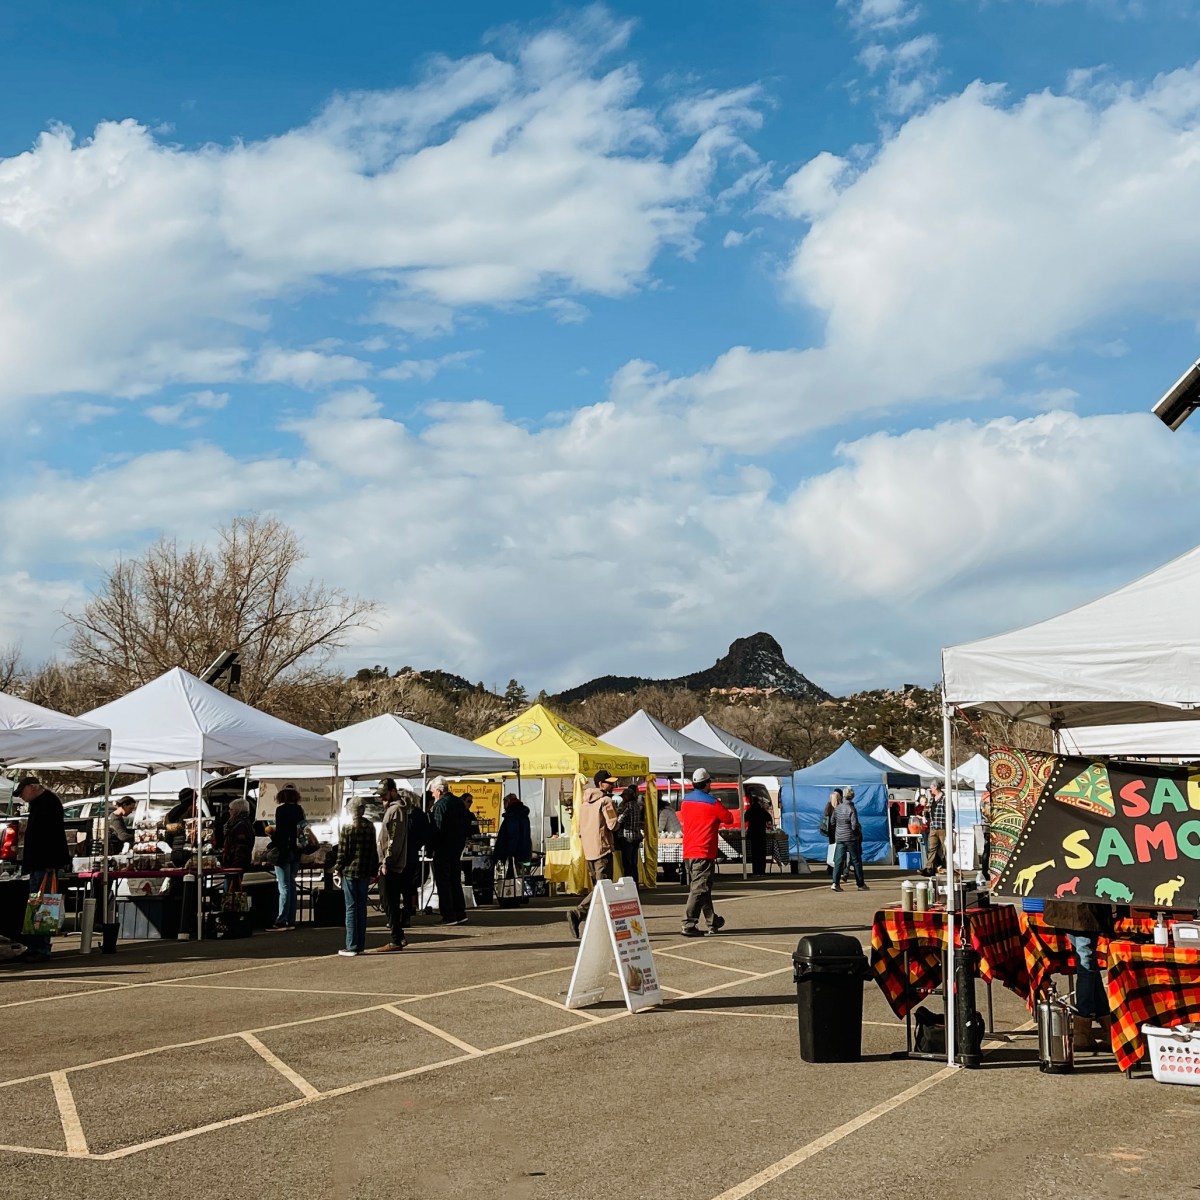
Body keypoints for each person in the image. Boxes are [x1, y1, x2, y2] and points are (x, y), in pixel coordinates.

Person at [1042, 898, 1114, 1052]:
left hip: (1066, 904)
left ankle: (1105, 1026)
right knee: (1086, 964)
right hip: (1083, 906)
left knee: (1087, 963)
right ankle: (1084, 1027)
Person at [14, 776, 69, 963]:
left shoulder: (48, 803)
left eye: (22, 792)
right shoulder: (40, 803)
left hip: (45, 863)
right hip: (38, 862)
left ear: (32, 787)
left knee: (44, 905)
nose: (21, 796)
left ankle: (41, 947)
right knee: (38, 904)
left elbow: (51, 836)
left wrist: (50, 864)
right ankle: (35, 945)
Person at [679, 768, 735, 937]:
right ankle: (688, 923)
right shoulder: (712, 803)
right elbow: (729, 819)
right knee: (700, 888)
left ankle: (712, 921)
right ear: (707, 783)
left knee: (703, 887)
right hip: (704, 850)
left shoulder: (685, 802)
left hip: (689, 849)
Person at [566, 771, 620, 939]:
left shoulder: (584, 803)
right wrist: (620, 822)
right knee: (603, 888)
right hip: (602, 850)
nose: (612, 785)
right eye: (608, 782)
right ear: (600, 784)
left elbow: (580, 828)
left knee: (600, 888)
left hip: (589, 851)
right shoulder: (606, 801)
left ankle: (599, 925)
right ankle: (578, 913)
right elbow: (612, 825)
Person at [332, 797, 380, 957]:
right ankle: (360, 944)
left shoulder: (347, 827)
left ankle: (351, 945)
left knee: (351, 908)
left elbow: (343, 853)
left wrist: (337, 868)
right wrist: (374, 870)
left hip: (350, 872)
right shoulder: (370, 826)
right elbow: (374, 851)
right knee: (361, 909)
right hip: (365, 871)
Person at [372, 779, 409, 953]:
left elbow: (394, 839)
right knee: (388, 900)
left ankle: (396, 938)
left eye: (384, 795)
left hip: (391, 864)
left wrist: (387, 861)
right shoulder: (394, 809)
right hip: (390, 863)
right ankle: (398, 935)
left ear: (393, 792)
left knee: (389, 901)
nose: (382, 800)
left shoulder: (396, 810)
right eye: (381, 796)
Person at [430, 777, 470, 926]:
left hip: (443, 848)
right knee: (455, 881)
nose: (432, 794)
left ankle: (449, 916)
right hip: (457, 847)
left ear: (439, 791)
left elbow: (437, 829)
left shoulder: (440, 805)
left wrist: (431, 848)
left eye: (433, 791)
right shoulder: (459, 803)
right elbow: (467, 824)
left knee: (444, 882)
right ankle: (460, 913)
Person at [267, 785, 307, 931]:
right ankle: (291, 919)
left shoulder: (281, 810)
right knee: (291, 884)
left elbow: (281, 832)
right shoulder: (299, 810)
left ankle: (281, 919)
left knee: (283, 886)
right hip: (296, 851)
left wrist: (272, 836)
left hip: (283, 851)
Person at [830, 789, 866, 892]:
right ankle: (860, 884)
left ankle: (835, 883)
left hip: (840, 837)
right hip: (851, 838)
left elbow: (832, 822)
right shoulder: (851, 808)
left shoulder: (837, 808)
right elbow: (854, 825)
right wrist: (858, 832)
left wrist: (839, 828)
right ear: (853, 796)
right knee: (856, 861)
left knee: (838, 861)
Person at [493, 793, 532, 873]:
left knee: (513, 877)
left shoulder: (512, 816)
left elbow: (512, 836)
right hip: (526, 850)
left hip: (514, 853)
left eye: (504, 803)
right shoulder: (524, 815)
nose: (504, 806)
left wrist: (505, 853)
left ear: (508, 802)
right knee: (524, 876)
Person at [614, 783, 644, 883]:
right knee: (633, 863)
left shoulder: (628, 805)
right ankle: (635, 884)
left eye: (624, 796)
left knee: (627, 864)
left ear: (628, 796)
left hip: (627, 837)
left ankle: (628, 884)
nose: (623, 798)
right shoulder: (636, 805)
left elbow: (620, 820)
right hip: (636, 837)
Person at [164, 787, 201, 868]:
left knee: (177, 876)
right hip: (188, 850)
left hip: (174, 849)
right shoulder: (192, 810)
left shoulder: (172, 812)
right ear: (192, 798)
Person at [220, 798, 255, 871]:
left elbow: (241, 847)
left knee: (232, 882)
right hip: (232, 862)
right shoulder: (239, 823)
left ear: (237, 811)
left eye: (231, 809)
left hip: (235, 864)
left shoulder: (241, 825)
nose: (229, 811)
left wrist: (235, 865)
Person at [922, 782, 947, 876]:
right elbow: (929, 812)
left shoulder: (945, 798)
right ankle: (928, 868)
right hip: (933, 827)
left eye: (931, 788)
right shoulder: (932, 799)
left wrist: (951, 826)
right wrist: (926, 812)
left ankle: (947, 867)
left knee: (946, 849)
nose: (930, 790)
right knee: (931, 848)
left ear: (936, 787)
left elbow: (951, 812)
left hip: (943, 827)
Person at [744, 791, 771, 876]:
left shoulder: (750, 810)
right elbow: (769, 818)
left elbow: (744, 818)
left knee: (754, 854)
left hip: (753, 834)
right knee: (762, 854)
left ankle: (755, 871)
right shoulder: (762, 810)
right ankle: (762, 871)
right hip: (761, 834)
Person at [821, 789, 841, 875]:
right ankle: (838, 867)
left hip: (830, 832)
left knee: (832, 848)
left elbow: (825, 817)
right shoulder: (840, 807)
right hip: (839, 831)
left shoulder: (828, 807)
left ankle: (830, 867)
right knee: (839, 849)